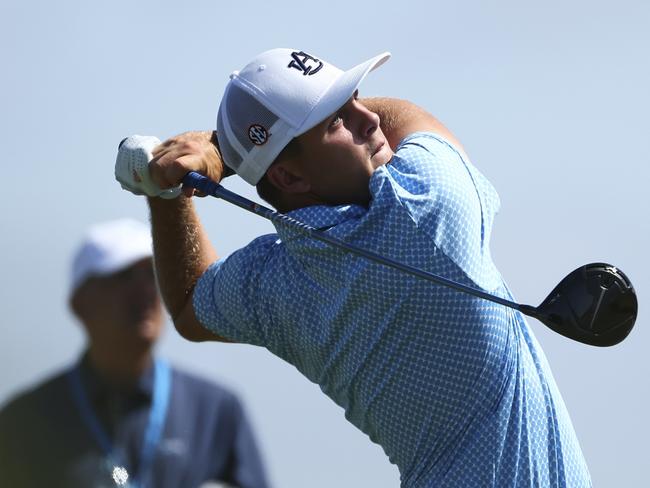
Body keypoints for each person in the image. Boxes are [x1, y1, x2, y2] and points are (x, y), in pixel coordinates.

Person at [116, 49, 592, 487]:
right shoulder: (424, 205)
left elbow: (187, 306)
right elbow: (413, 117)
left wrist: (165, 193)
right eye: (337, 120)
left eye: (356, 100)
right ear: (289, 176)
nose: (368, 119)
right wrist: (225, 149)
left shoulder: (273, 284)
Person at [0, 219, 270, 488]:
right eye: (123, 276)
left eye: (153, 275)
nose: (145, 290)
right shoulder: (25, 420)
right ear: (80, 304)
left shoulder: (215, 409)